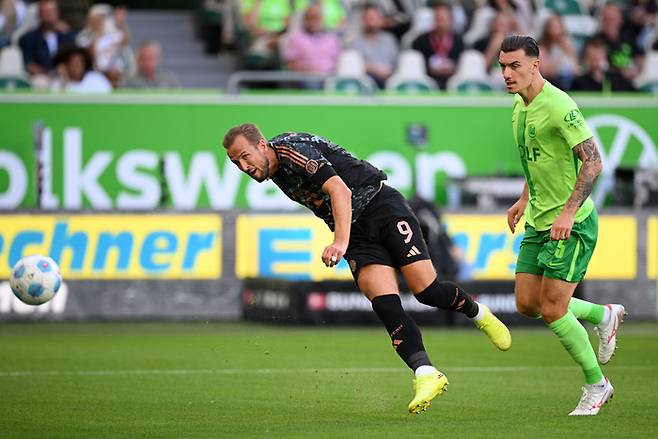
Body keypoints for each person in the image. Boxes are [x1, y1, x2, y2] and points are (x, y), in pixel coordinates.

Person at [222, 123, 511, 414]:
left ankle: (478, 313)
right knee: (385, 305)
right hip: (357, 233)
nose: (243, 166)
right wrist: (347, 237)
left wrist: (340, 242)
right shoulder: (274, 172)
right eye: (236, 163)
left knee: (427, 292)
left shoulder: (291, 151)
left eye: (245, 156)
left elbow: (340, 190)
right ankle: (426, 373)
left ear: (262, 144)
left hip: (382, 208)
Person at [498, 35, 626, 416]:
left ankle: (597, 384)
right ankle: (604, 315)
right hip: (539, 220)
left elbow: (593, 162)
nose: (507, 74)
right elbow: (536, 160)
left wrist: (569, 212)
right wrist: (524, 198)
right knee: (527, 304)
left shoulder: (559, 106)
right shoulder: (520, 107)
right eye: (503, 66)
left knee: (553, 310)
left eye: (515, 66)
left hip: (572, 224)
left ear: (535, 64)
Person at [411, 1, 463, 90]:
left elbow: (462, 64)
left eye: (444, 17)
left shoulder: (459, 41)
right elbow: (415, 64)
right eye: (438, 17)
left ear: (451, 19)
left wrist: (453, 69)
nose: (440, 21)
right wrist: (428, 68)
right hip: (428, 80)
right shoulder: (421, 41)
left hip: (452, 80)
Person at [18, 0, 74, 75]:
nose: (49, 16)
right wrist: (48, 74)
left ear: (57, 13)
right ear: (39, 15)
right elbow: (28, 63)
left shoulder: (67, 36)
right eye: (46, 13)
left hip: (66, 77)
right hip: (40, 79)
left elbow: (74, 58)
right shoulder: (29, 38)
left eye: (51, 12)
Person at [350, 3, 399, 89]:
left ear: (381, 20)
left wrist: (388, 72)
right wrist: (375, 69)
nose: (371, 22)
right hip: (364, 84)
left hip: (389, 81)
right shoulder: (355, 42)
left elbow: (396, 65)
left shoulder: (389, 40)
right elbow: (355, 66)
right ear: (363, 19)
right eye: (368, 18)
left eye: (374, 18)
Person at [571, 37, 637, 92]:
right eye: (592, 58)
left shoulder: (616, 79)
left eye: (598, 58)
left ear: (605, 56)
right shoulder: (579, 82)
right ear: (586, 58)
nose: (595, 62)